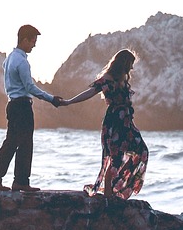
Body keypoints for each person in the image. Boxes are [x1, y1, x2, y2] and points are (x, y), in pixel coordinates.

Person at [59, 48, 148, 200]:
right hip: (114, 123)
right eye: (131, 64)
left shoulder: (122, 78)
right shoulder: (107, 79)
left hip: (126, 123)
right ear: (124, 63)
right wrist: (68, 102)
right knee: (115, 158)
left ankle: (118, 187)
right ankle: (108, 194)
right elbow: (89, 93)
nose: (132, 68)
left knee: (142, 151)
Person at [0, 25, 62, 193]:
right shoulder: (22, 62)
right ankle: (20, 181)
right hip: (22, 106)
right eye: (33, 41)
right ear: (24, 39)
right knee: (25, 144)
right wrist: (51, 99)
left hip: (12, 105)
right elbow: (30, 87)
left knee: (11, 142)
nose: (34, 45)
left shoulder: (10, 58)